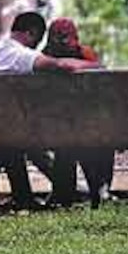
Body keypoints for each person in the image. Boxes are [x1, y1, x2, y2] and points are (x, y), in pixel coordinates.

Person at [0, 10, 99, 209]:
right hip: (13, 131)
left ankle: (28, 197)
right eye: (37, 40)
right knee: (52, 136)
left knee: (20, 140)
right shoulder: (21, 55)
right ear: (31, 33)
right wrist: (96, 66)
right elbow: (61, 65)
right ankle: (60, 192)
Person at [42, 17, 115, 208]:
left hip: (51, 128)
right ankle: (101, 187)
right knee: (100, 138)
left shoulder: (42, 59)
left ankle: (62, 192)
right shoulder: (86, 55)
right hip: (87, 126)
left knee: (65, 144)